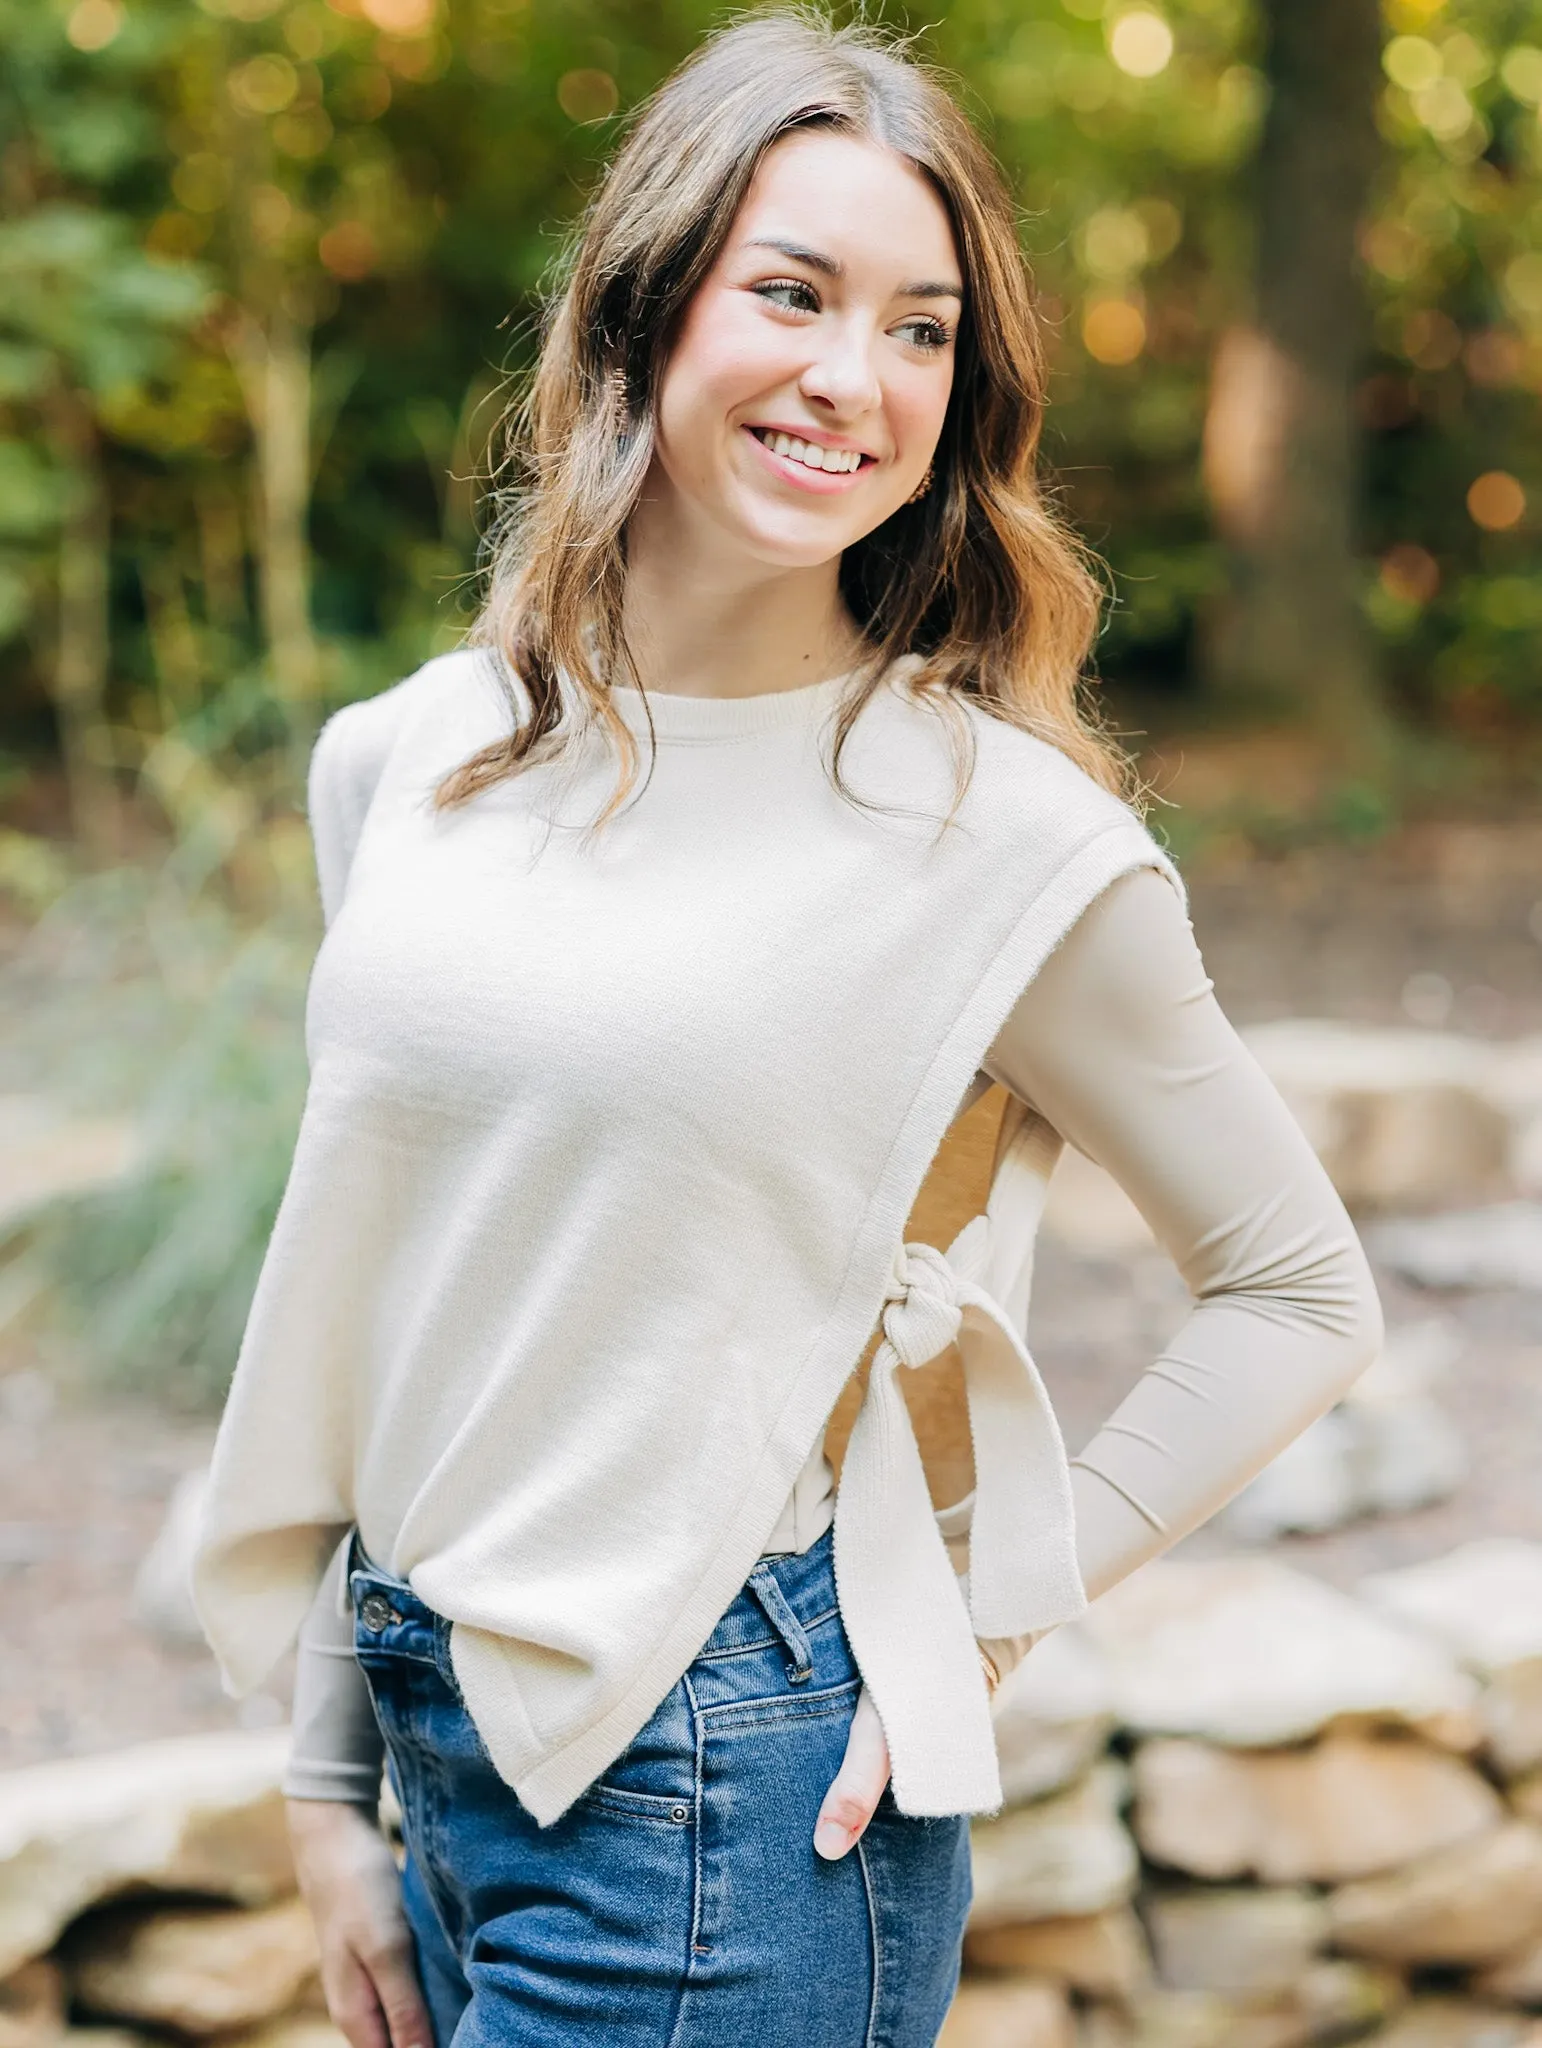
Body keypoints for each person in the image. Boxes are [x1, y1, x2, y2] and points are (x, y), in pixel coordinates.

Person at [191, 13, 1383, 2048]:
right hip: (440, 1754)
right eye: (795, 293)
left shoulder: (1004, 842)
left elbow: (1295, 1287)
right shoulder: (412, 756)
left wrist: (982, 1622)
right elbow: (383, 1303)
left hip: (734, 1798)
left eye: (920, 330)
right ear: (643, 308)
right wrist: (327, 1787)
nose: (855, 378)